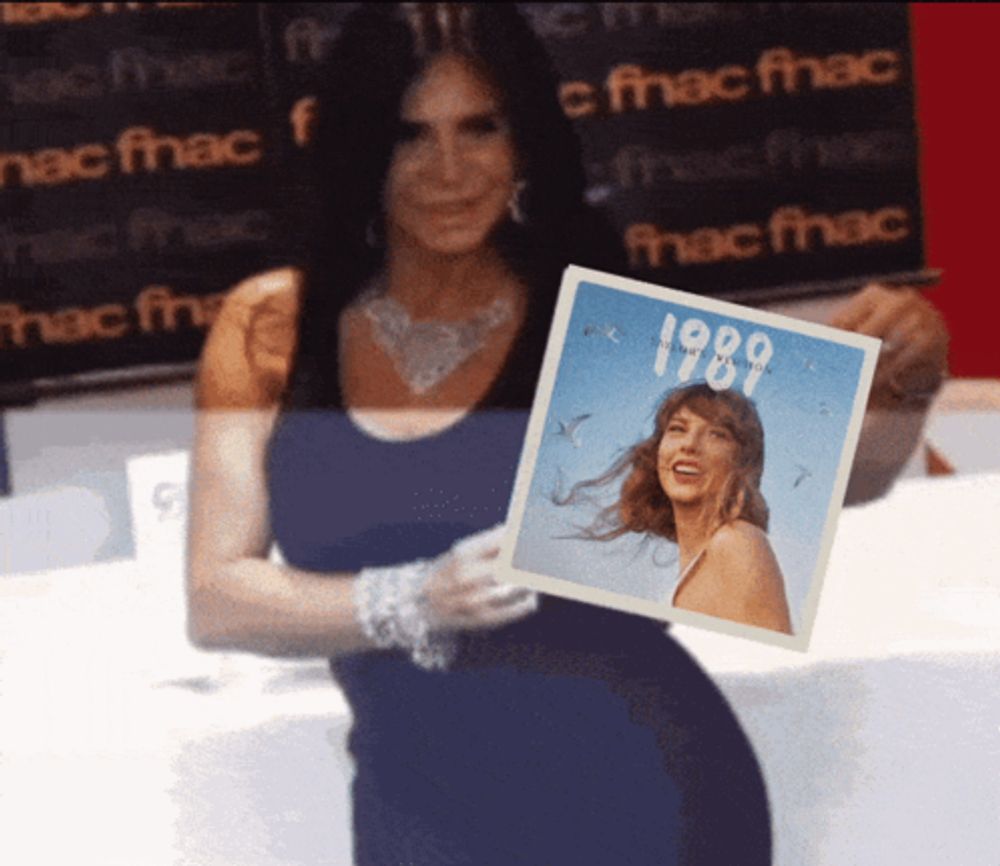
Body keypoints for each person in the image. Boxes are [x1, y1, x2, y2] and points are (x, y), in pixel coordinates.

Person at [185, 4, 946, 864]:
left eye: (481, 128)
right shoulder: (273, 328)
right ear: (361, 146)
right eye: (409, 136)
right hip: (419, 813)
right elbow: (217, 598)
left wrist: (903, 390)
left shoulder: (590, 310)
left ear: (524, 140)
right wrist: (414, 598)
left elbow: (836, 480)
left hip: (648, 796)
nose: (449, 169)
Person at [562, 383, 793, 634]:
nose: (690, 445)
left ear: (742, 462)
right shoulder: (702, 561)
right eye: (677, 429)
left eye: (717, 434)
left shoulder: (737, 542)